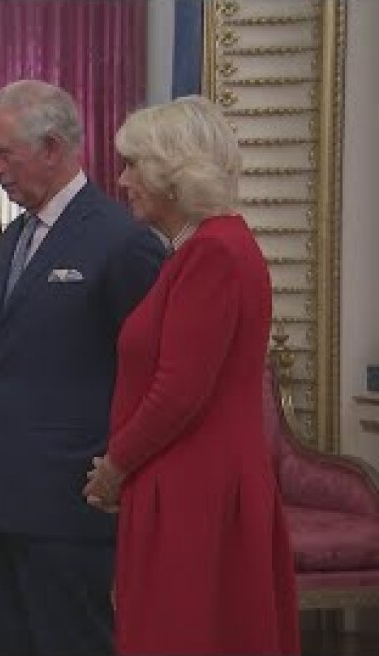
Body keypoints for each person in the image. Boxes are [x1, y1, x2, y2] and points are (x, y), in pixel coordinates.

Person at [83, 95, 299, 655]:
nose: (123, 178)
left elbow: (179, 392)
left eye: (133, 165)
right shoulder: (205, 248)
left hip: (193, 489)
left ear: (172, 177)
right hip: (191, 482)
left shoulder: (214, 253)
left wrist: (115, 466)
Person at [0, 80, 165, 656]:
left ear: (52, 147)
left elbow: (151, 374)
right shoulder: (14, 234)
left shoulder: (123, 242)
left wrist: (117, 470)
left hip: (67, 505)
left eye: (3, 152)